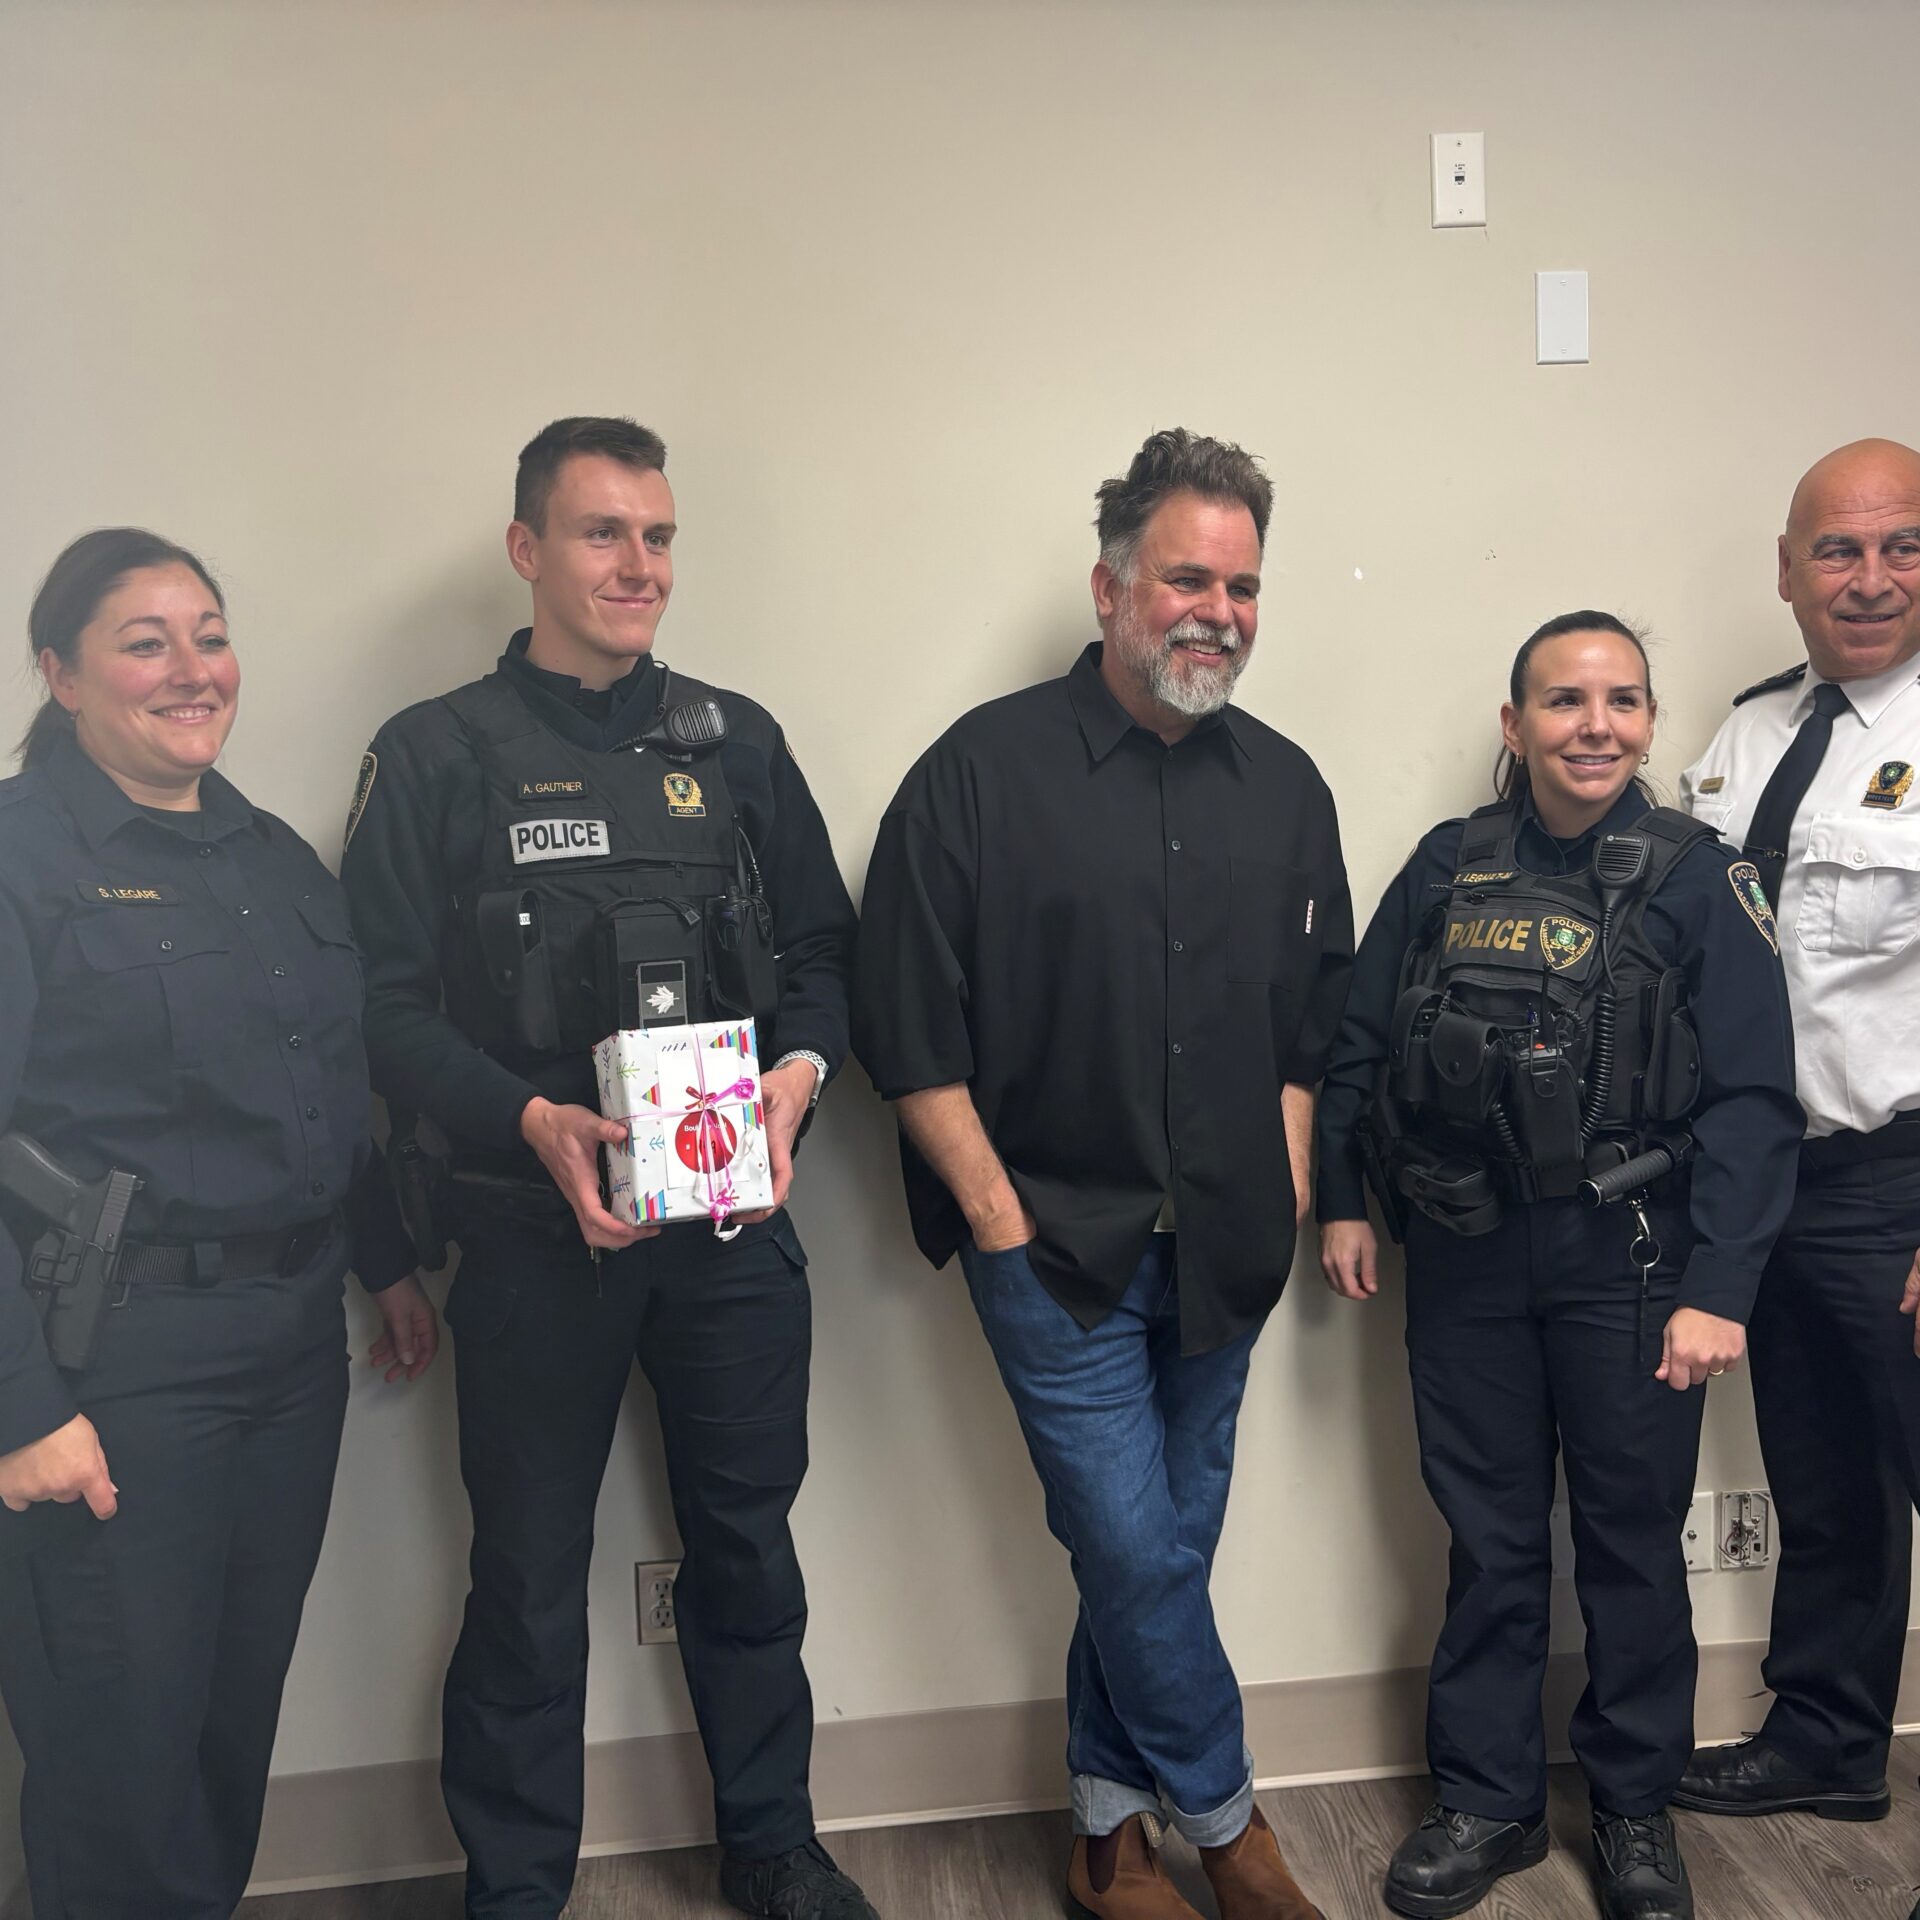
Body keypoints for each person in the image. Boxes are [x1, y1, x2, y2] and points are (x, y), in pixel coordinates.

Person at [340, 416, 874, 1920]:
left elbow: (826, 954)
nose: (638, 565)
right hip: (529, 1237)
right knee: (523, 1577)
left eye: (658, 536)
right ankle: (516, 1885)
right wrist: (529, 1119)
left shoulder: (737, 741)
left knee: (749, 1550)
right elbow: (375, 1007)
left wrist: (798, 1079)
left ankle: (773, 1841)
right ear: (527, 549)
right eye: (601, 533)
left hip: (731, 1228)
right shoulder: (434, 754)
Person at [854, 428, 1351, 1920]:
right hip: (1053, 1249)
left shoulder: (1288, 787)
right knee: (1135, 1549)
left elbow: (1310, 1022)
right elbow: (905, 1025)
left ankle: (1104, 1832)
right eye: (1188, 578)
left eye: (1242, 586)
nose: (1218, 612)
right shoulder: (977, 773)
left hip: (1227, 1251)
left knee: (1156, 1556)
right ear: (1111, 586)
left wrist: (1285, 1168)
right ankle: (1232, 1829)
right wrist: (995, 1217)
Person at [1316, 611, 1801, 1920]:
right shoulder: (1447, 864)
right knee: (1488, 1538)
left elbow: (1756, 1100)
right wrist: (1343, 1201)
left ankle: (1635, 1806)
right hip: (1464, 1252)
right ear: (1515, 723)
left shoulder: (1702, 877)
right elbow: (1360, 1040)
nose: (1596, 725)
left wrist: (1721, 1288)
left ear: (1649, 721)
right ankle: (1488, 1799)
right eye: (1565, 700)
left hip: (1631, 1259)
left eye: (1623, 700)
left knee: (1633, 1542)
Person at [0, 528, 436, 1920]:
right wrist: (19, 1407)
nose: (193, 670)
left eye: (210, 635)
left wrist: (387, 1268)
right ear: (61, 673)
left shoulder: (275, 859)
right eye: (146, 642)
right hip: (115, 1361)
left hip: (288, 1350)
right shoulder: (18, 856)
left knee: (229, 1719)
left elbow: (326, 1092)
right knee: (117, 1744)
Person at [1671, 440, 1920, 1871]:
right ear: (1787, 571)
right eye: (1839, 550)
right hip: (1776, 1179)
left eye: (1901, 546)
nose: (1870, 579)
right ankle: (1830, 1741)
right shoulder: (1750, 733)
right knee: (1824, 1480)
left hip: (1901, 1182)